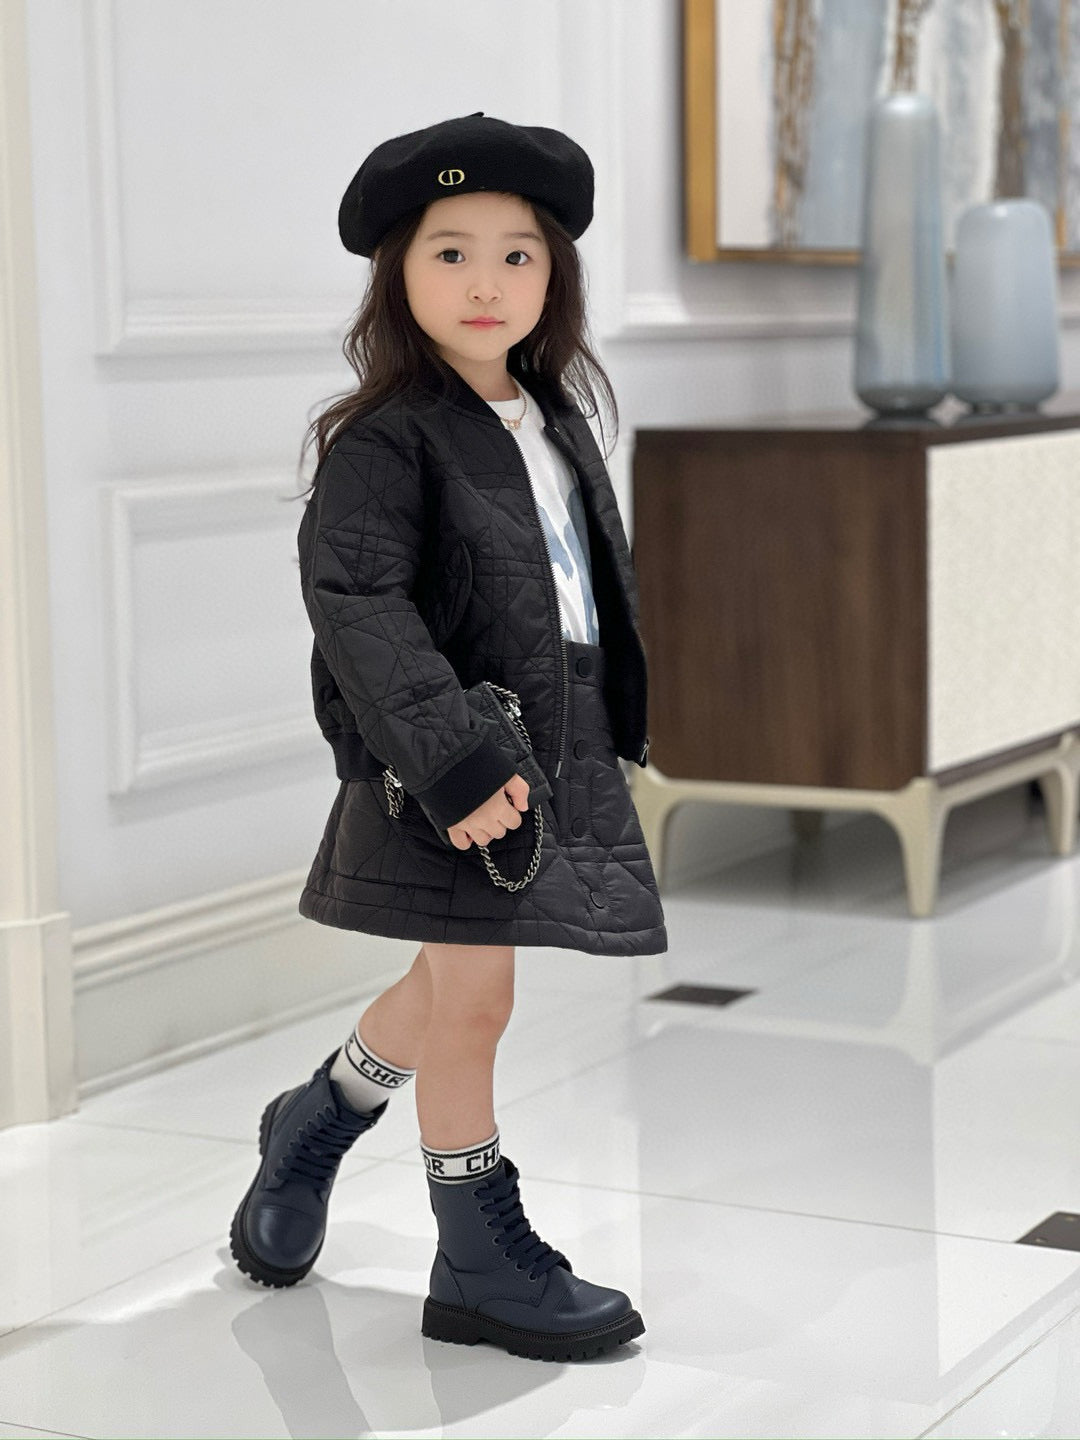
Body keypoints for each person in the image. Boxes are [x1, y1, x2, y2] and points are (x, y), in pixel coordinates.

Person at [229, 111, 667, 1363]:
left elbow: (570, 589)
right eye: (450, 253)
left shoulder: (550, 414)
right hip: (452, 764)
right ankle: (475, 1258)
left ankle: (319, 1117)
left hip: (544, 749)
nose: (487, 283)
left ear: (553, 275)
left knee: (445, 981)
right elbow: (359, 604)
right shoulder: (386, 438)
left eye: (517, 255)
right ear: (399, 274)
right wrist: (456, 764)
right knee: (477, 996)